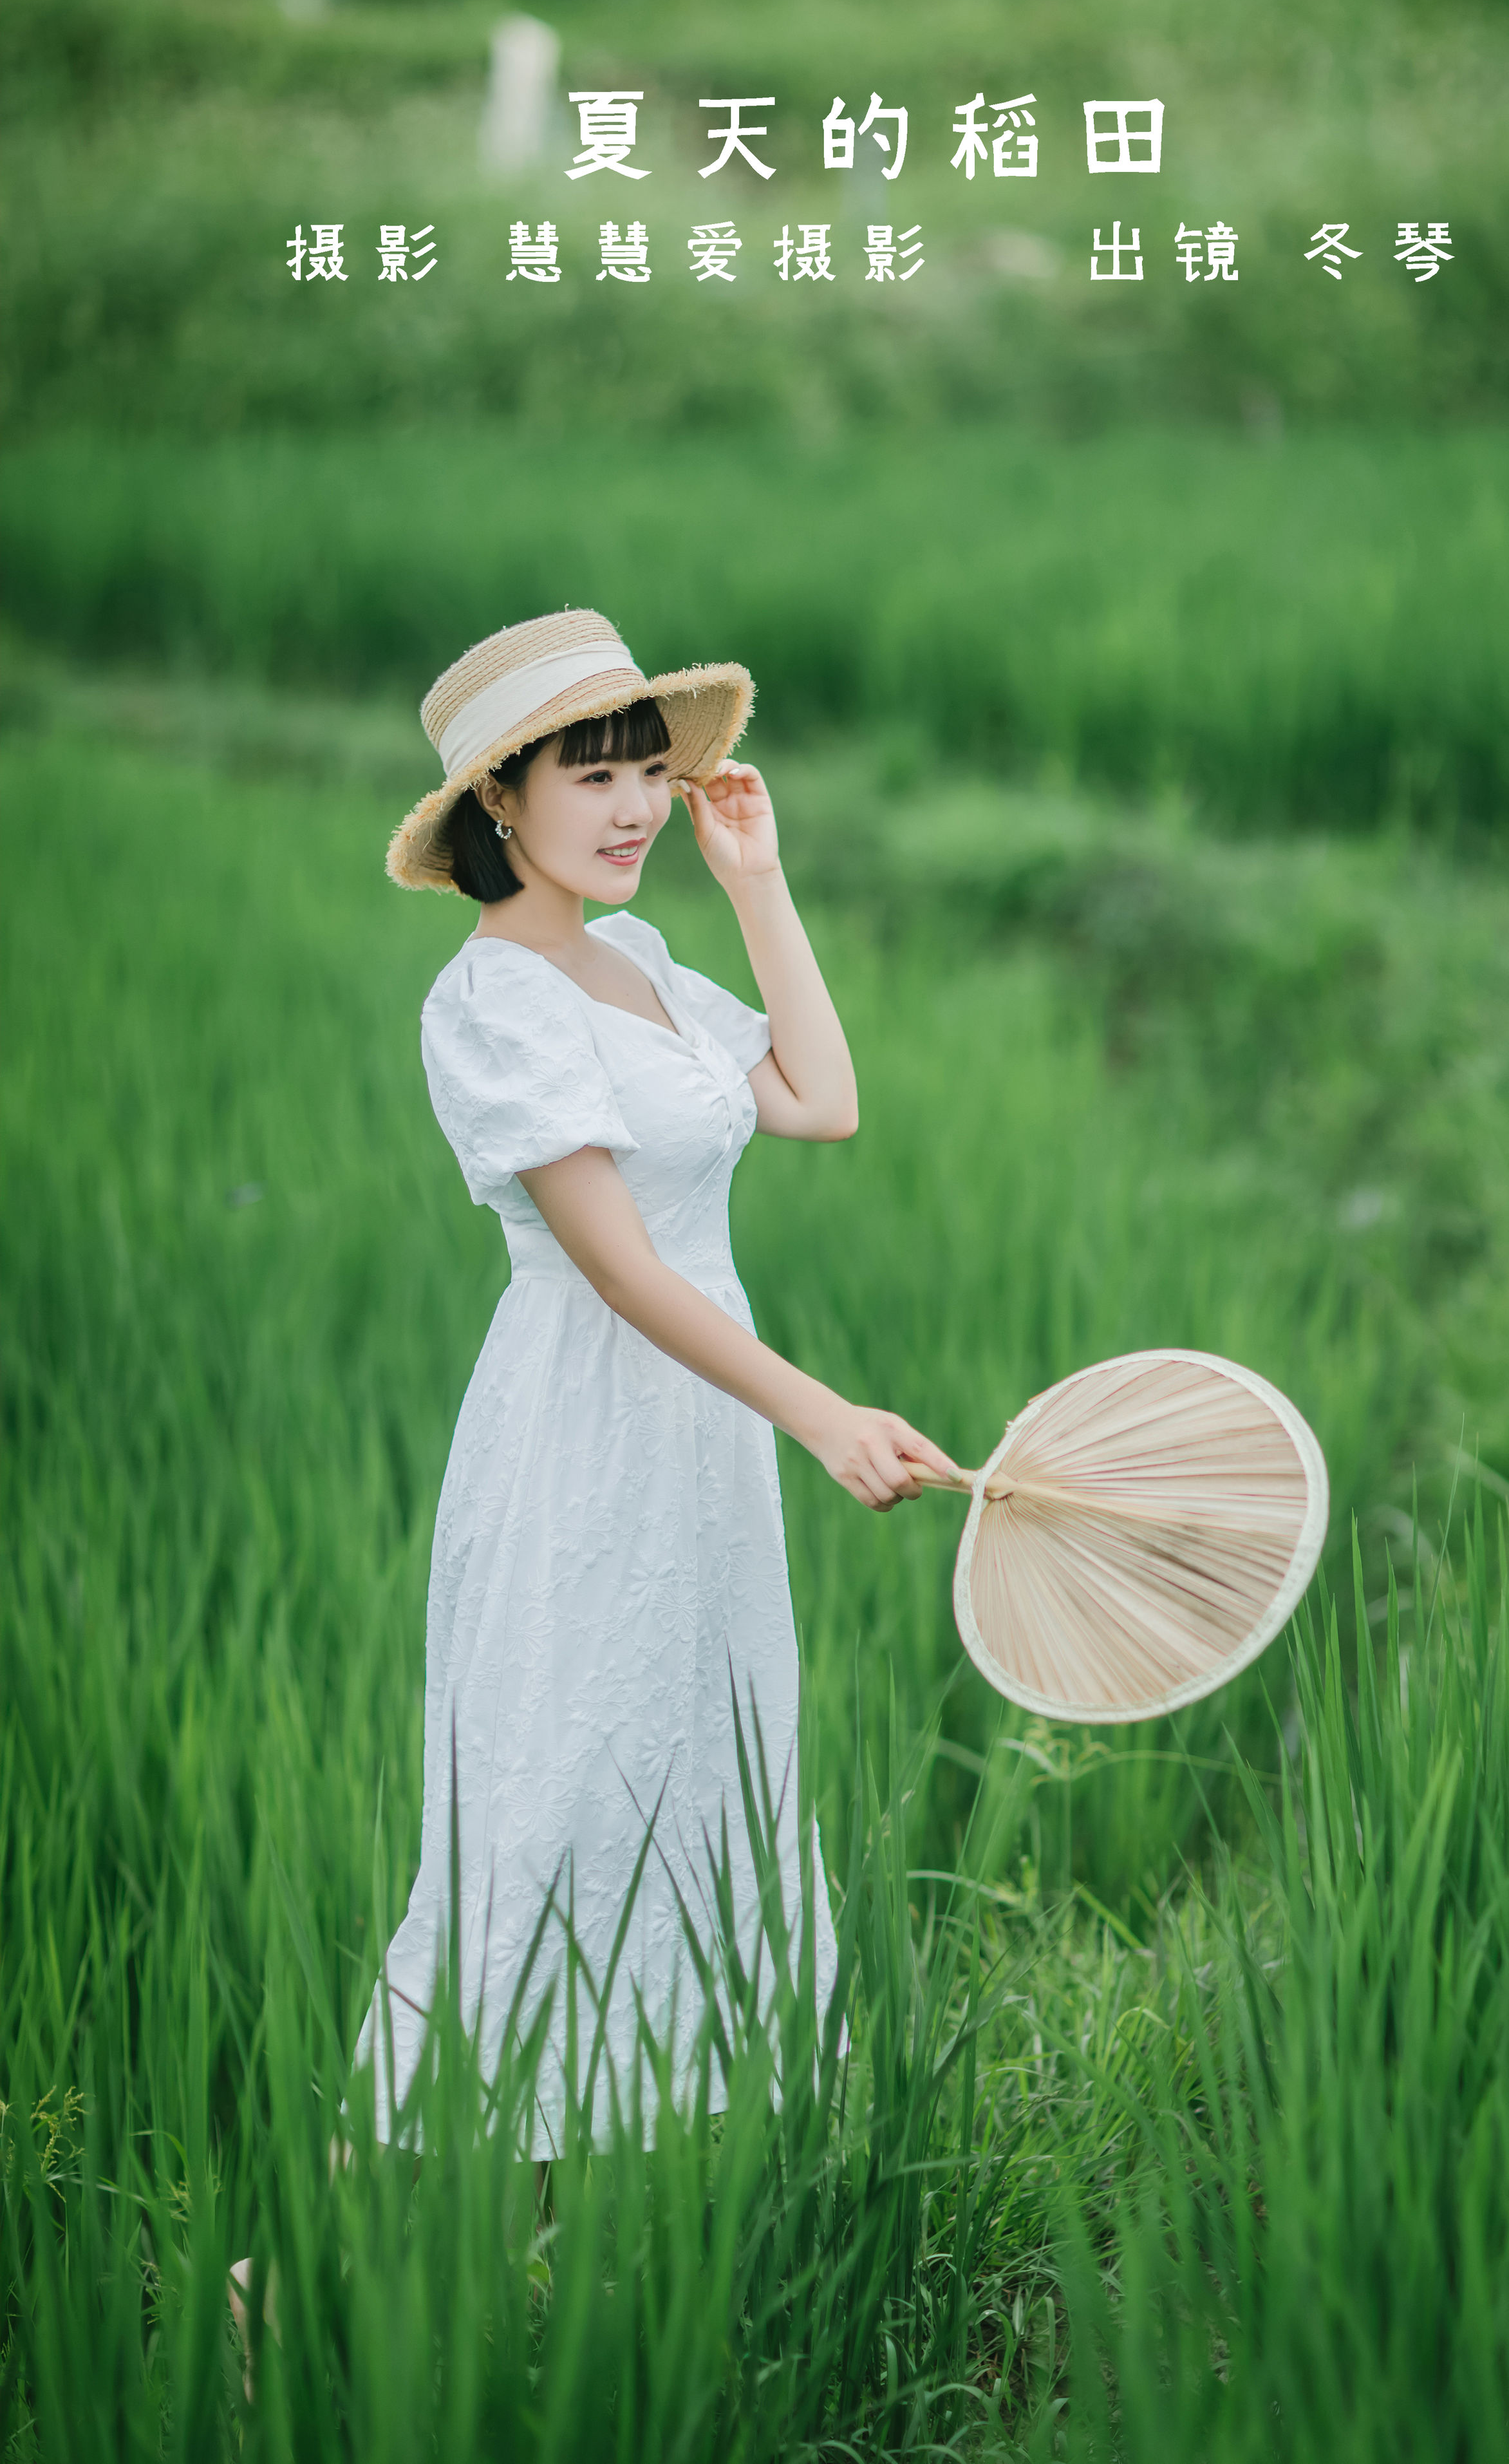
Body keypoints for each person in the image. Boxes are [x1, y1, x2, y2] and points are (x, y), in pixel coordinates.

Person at [357, 606, 958, 2153]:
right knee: (551, 1795)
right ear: (501, 798)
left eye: (646, 772)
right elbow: (622, 1270)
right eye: (590, 773)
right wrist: (822, 1412)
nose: (634, 807)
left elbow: (821, 1102)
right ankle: (321, 2256)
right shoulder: (493, 1002)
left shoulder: (635, 956)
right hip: (585, 1427)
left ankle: (574, 2231)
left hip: (704, 1440)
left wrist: (757, 885)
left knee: (692, 1775)